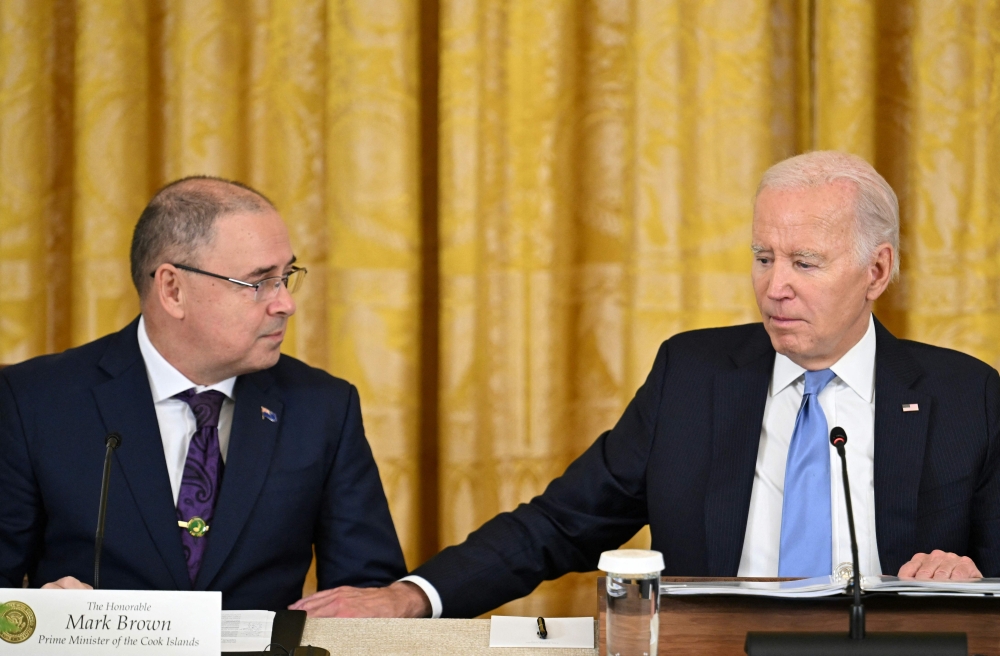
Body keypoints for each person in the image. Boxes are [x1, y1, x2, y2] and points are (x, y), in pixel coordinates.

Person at [292, 150, 1000, 619]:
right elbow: (561, 524)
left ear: (876, 272)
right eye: (762, 256)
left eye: (805, 264)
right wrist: (412, 597)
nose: (773, 287)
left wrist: (973, 584)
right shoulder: (692, 376)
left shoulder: (967, 397)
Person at [0, 177, 407, 611]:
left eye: (286, 276)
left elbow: (368, 599)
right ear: (173, 289)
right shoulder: (33, 402)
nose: (285, 303)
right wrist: (33, 614)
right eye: (259, 282)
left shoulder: (323, 407)